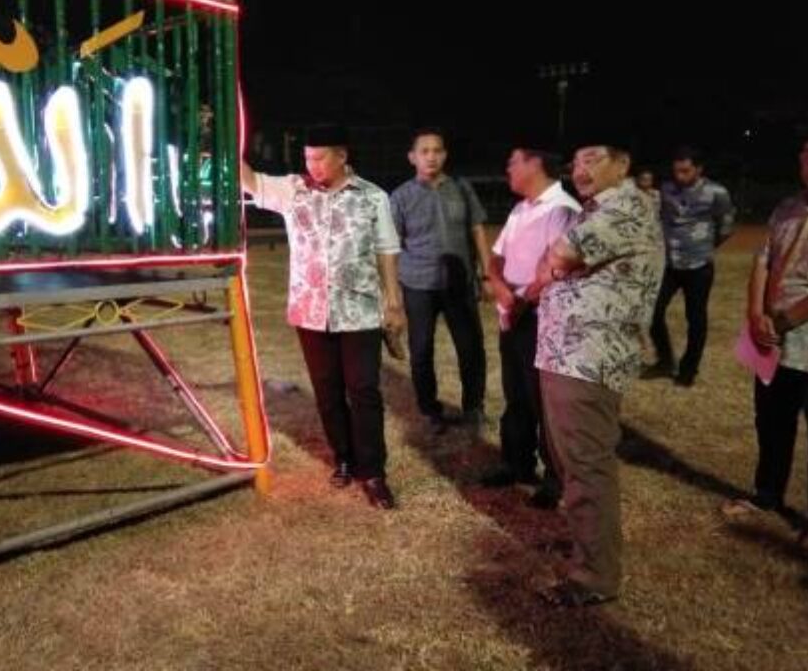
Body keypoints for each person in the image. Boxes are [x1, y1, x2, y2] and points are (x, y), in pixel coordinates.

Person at [241, 124, 405, 509]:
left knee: (363, 390)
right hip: (310, 310)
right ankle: (343, 458)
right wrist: (225, 139)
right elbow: (249, 180)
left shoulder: (372, 196)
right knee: (327, 392)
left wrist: (393, 302)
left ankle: (374, 472)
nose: (311, 165)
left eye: (319, 157)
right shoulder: (293, 190)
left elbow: (386, 249)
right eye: (307, 158)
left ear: (342, 156)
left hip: (359, 309)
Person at [530, 142, 664, 606]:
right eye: (576, 162)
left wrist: (555, 265)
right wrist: (555, 266)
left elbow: (560, 254)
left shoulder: (626, 206)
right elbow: (554, 261)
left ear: (623, 163)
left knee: (587, 465)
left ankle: (594, 576)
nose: (580, 169)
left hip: (589, 357)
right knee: (572, 463)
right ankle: (588, 548)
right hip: (567, 354)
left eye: (593, 159)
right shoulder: (596, 209)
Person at [722, 131, 808, 552]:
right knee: (771, 422)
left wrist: (783, 320)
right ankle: (767, 495)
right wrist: (755, 314)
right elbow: (763, 261)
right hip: (772, 342)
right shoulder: (786, 208)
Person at [481, 147, 580, 509]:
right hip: (513, 316)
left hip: (540, 319)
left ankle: (555, 478)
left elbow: (558, 269)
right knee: (517, 396)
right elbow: (496, 257)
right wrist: (500, 287)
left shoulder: (562, 210)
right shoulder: (521, 209)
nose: (508, 168)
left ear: (535, 164)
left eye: (514, 162)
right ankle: (516, 463)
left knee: (545, 403)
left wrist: (519, 301)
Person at [389, 128, 489, 436]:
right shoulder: (401, 197)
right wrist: (392, 295)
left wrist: (487, 273)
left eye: (437, 150)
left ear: (444, 155)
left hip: (459, 283)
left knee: (471, 348)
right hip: (418, 284)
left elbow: (477, 230)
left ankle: (474, 408)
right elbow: (392, 246)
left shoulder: (461, 188)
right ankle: (429, 410)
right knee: (421, 351)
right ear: (412, 157)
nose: (431, 157)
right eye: (424, 151)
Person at [644, 147, 735, 386]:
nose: (680, 176)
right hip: (669, 264)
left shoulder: (717, 193)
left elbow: (726, 226)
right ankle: (665, 360)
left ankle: (688, 369)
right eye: (676, 171)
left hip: (699, 266)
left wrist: (704, 246)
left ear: (699, 169)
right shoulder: (666, 189)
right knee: (650, 310)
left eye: (685, 171)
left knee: (695, 319)